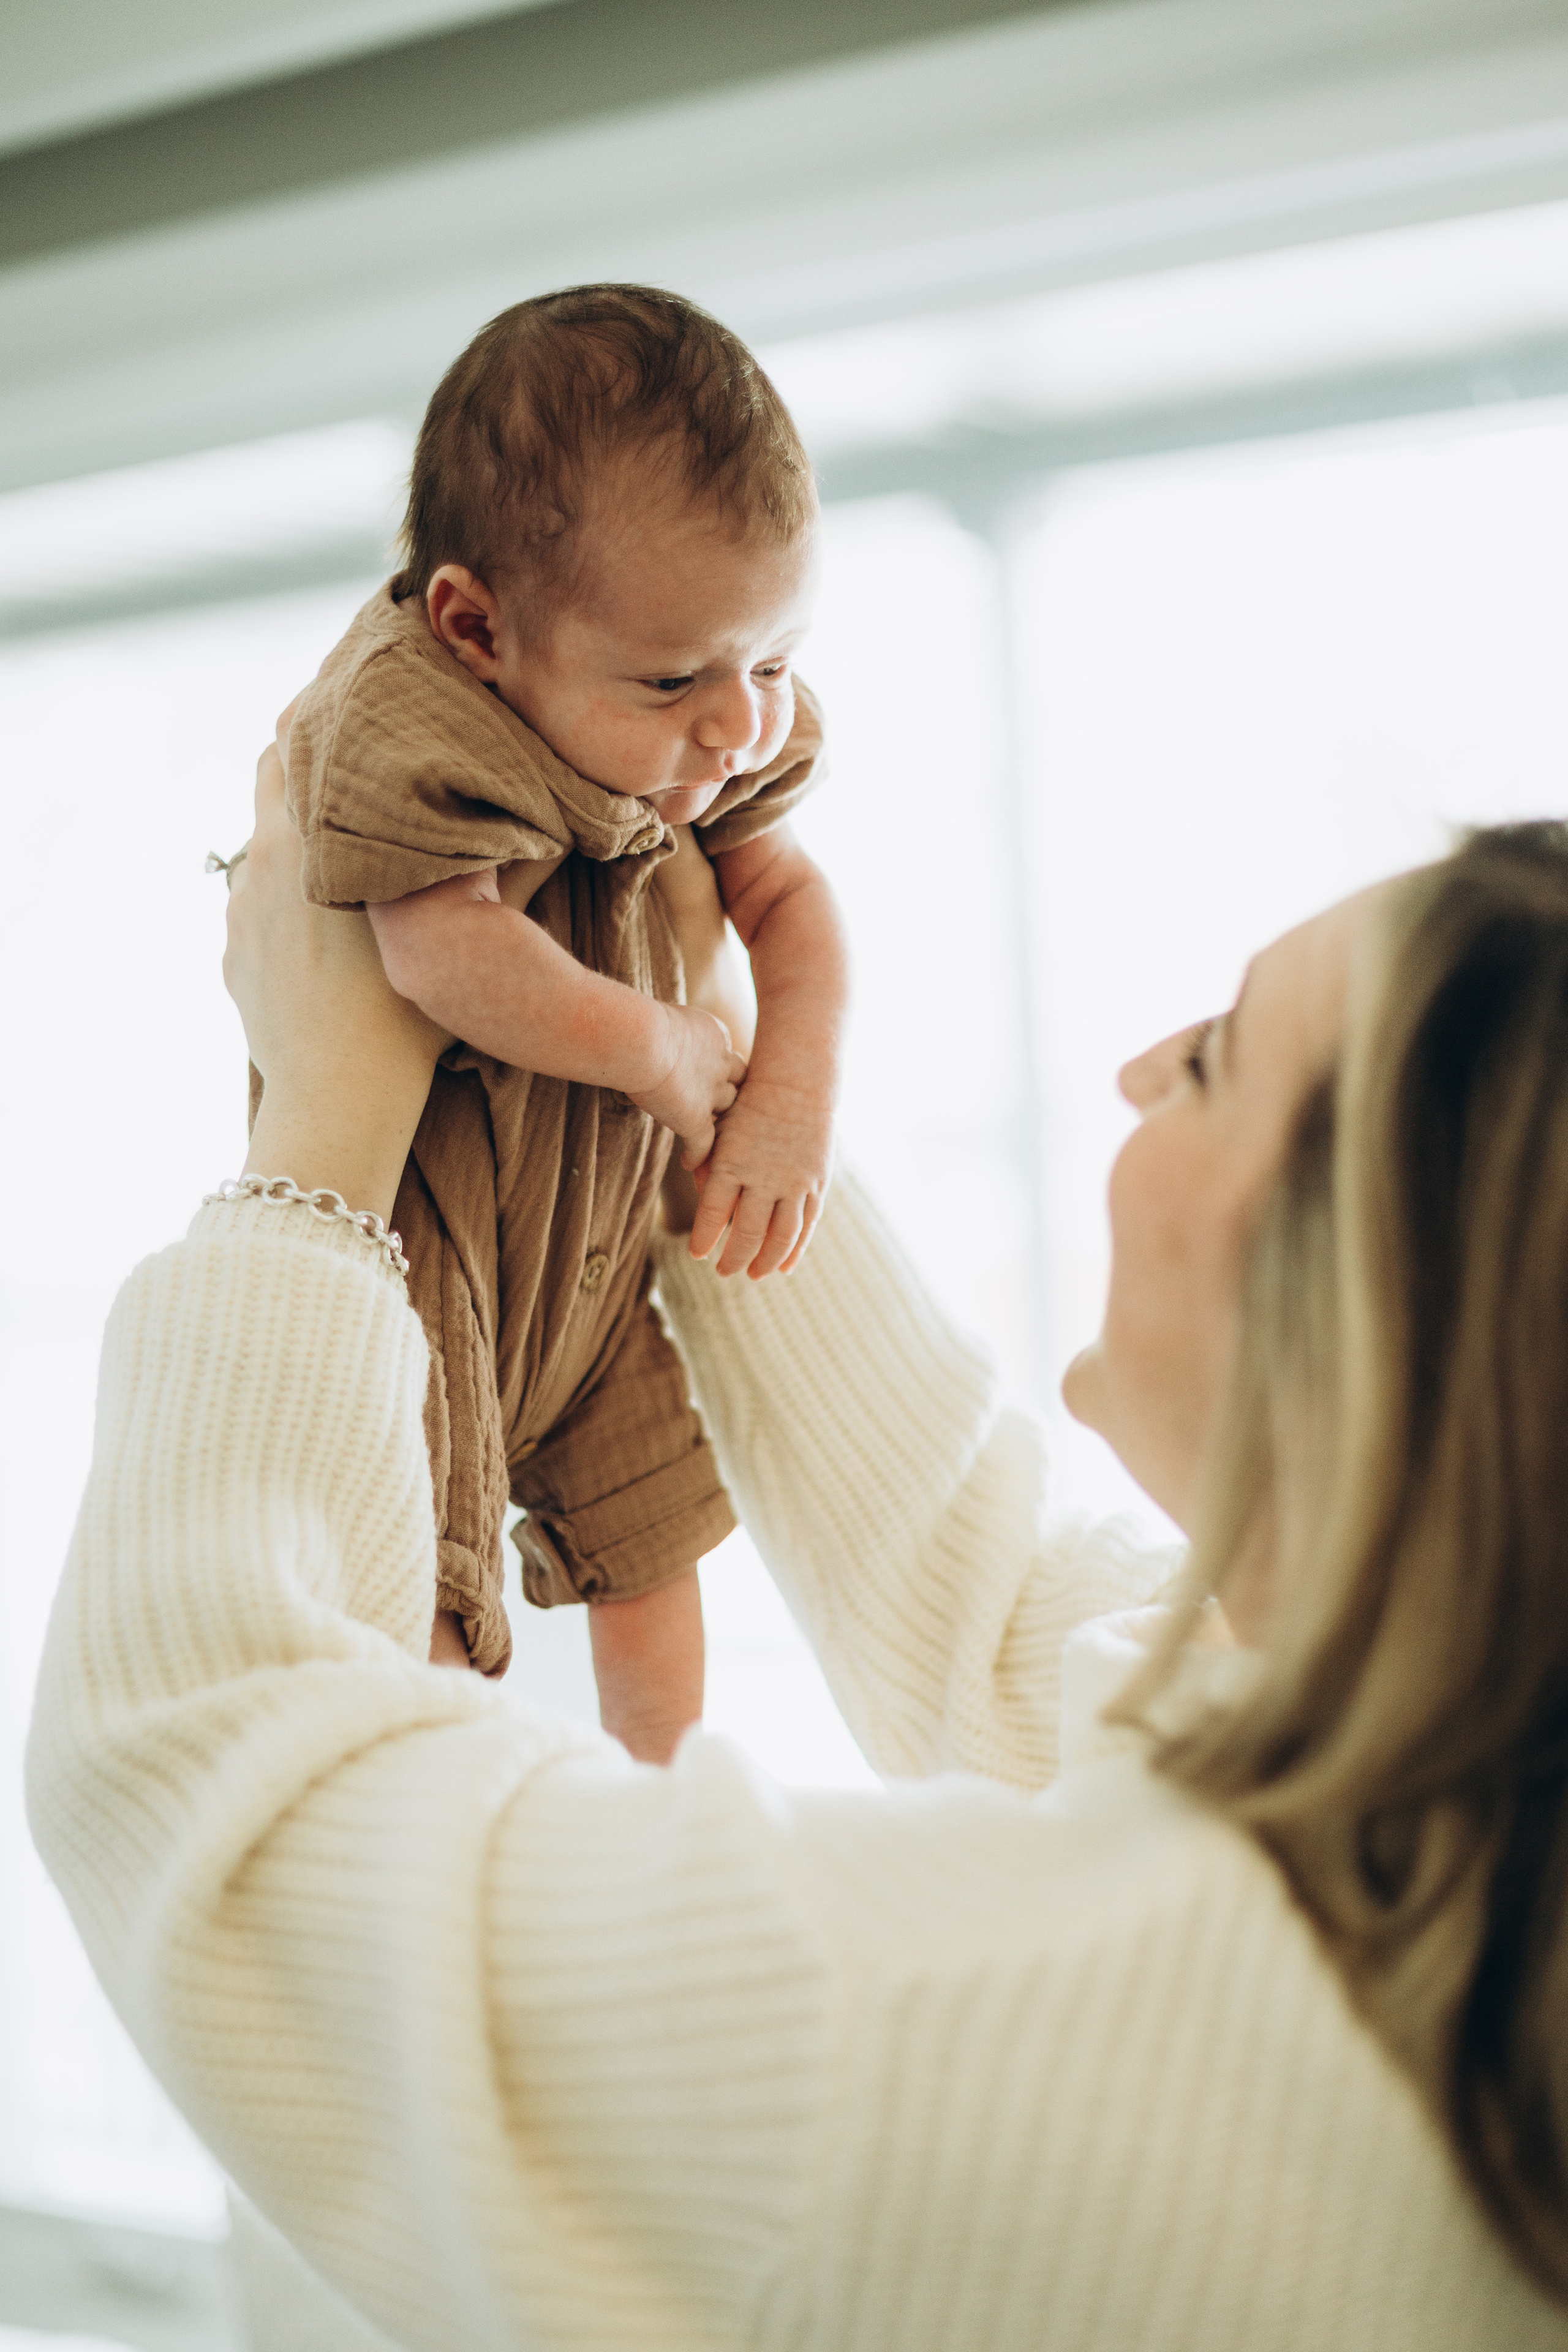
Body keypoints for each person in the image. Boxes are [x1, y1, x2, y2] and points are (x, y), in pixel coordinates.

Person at [26, 773, 1568, 2349]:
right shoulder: (1455, 1838)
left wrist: (327, 1122)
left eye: (1212, 1057)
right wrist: (689, 1073)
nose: (1130, 1068)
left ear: (1379, 1318)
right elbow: (987, 1601)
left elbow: (214, 1796)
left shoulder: (1008, 2034)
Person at [266, 283, 846, 1758]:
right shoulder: (411, 718)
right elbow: (439, 951)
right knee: (431, 1592)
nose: (738, 728)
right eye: (676, 680)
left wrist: (785, 1100)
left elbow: (790, 907)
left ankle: (663, 1808)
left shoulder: (709, 724)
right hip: (430, 1261)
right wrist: (656, 1047)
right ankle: (441, 1823)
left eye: (772, 662)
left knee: (654, 1547)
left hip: (595, 1276)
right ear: (476, 625)